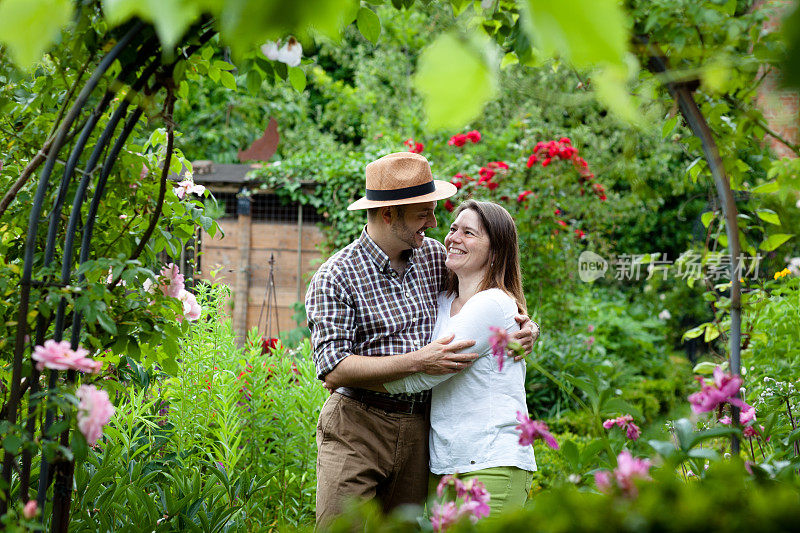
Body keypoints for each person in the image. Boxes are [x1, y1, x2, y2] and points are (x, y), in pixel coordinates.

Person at [306, 152, 537, 526]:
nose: (433, 223)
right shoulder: (336, 275)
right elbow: (333, 368)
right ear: (388, 215)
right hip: (357, 425)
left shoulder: (433, 257)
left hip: (419, 430)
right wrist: (419, 361)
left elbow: (486, 299)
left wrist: (523, 326)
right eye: (422, 214)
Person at [378, 199, 537, 517]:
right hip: (448, 465)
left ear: (496, 249)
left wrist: (351, 378)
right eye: (453, 229)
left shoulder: (491, 303)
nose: (453, 238)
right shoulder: (443, 301)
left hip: (491, 463)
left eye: (469, 233)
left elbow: (426, 374)